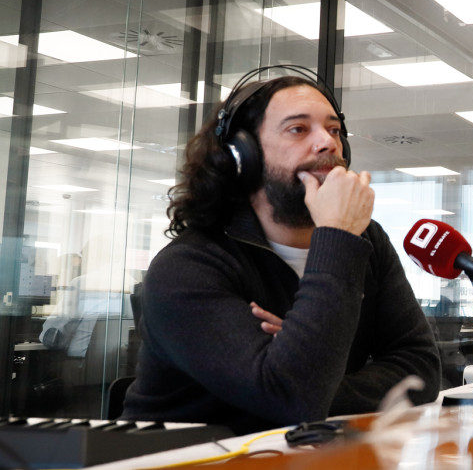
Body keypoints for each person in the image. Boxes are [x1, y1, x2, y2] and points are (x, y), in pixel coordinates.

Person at [120, 70, 440, 434]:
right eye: (298, 129)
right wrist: (335, 236)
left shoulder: (364, 238)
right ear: (244, 155)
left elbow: (420, 368)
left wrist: (307, 373)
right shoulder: (188, 266)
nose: (327, 144)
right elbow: (294, 396)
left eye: (334, 130)